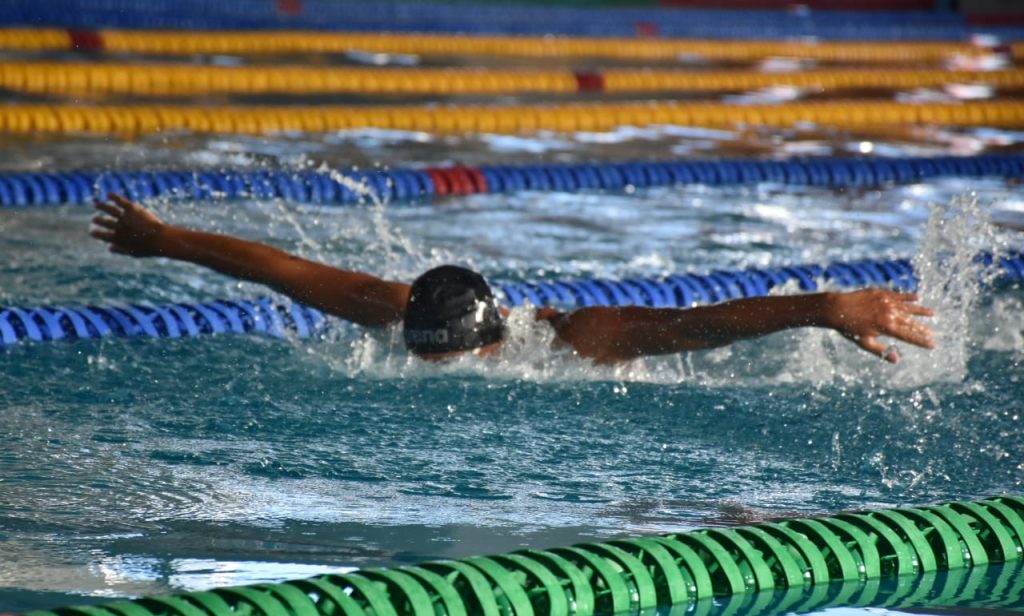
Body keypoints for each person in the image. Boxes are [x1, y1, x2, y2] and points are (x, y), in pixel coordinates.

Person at [91, 193, 936, 364]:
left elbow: (697, 325)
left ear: (487, 341)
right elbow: (286, 270)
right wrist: (166, 241)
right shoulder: (405, 312)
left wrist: (823, 305)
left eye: (438, 361)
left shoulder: (573, 341)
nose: (418, 367)